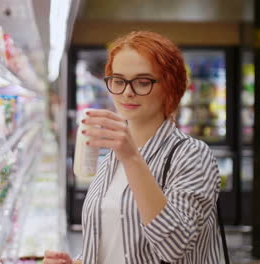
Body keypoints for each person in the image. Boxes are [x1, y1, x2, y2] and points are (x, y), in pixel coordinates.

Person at [43, 31, 222, 264]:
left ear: (170, 86)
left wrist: (132, 158)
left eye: (142, 82)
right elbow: (115, 244)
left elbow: (174, 246)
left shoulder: (193, 156)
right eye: (118, 80)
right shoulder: (111, 159)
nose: (127, 91)